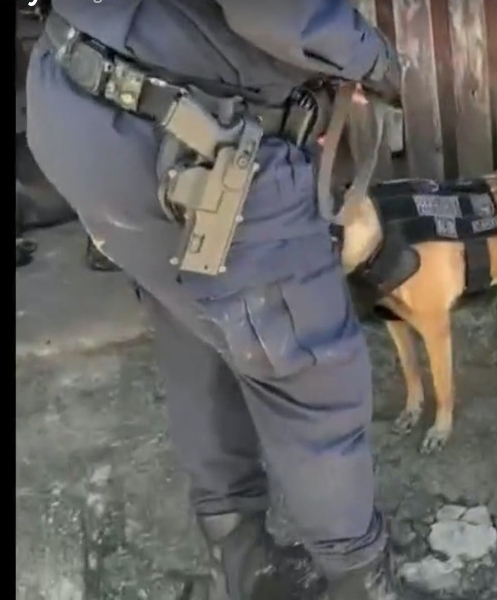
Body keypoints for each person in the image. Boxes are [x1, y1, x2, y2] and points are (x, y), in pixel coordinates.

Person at [25, 1, 412, 598]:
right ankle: (360, 581)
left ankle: (241, 560)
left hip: (81, 93)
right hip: (187, 142)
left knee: (192, 330)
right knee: (312, 377)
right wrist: (367, 56)